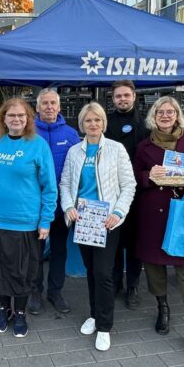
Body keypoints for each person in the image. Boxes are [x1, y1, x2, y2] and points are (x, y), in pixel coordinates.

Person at [133, 96, 184, 358]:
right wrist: (148, 177)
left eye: (170, 112)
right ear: (153, 117)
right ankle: (162, 307)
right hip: (154, 213)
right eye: (160, 112)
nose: (165, 116)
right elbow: (135, 176)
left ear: (178, 115)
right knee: (155, 266)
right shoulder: (144, 146)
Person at [0, 98, 57, 339]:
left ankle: (20, 312)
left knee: (23, 273)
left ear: (28, 119)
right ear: (3, 118)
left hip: (26, 222)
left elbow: (49, 187)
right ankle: (5, 309)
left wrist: (45, 221)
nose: (16, 119)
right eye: (11, 115)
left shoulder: (38, 145)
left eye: (21, 116)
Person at [61, 103, 136, 352]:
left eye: (98, 120)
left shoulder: (116, 149)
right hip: (83, 220)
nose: (93, 124)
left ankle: (104, 326)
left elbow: (129, 185)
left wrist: (118, 212)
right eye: (88, 121)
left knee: (104, 273)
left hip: (107, 221)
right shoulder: (74, 152)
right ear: (81, 125)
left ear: (104, 123)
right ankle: (94, 314)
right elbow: (65, 183)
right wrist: (68, 207)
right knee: (91, 270)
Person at [31, 88, 79, 315]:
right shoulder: (27, 132)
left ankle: (55, 292)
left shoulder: (70, 134)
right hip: (33, 206)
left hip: (61, 206)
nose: (49, 107)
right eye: (45, 103)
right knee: (34, 252)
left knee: (59, 250)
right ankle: (34, 292)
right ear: (37, 107)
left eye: (53, 103)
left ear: (59, 107)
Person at [104, 80, 148, 309]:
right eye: (118, 96)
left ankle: (133, 285)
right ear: (113, 99)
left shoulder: (146, 123)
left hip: (139, 193)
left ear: (134, 96)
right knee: (114, 240)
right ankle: (115, 283)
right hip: (112, 192)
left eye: (126, 95)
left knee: (134, 242)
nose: (122, 99)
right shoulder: (106, 123)